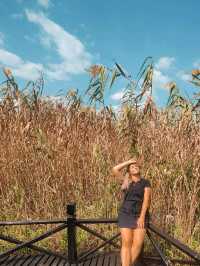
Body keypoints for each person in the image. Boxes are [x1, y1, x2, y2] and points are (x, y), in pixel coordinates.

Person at [112, 157, 152, 266]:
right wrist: (129, 162)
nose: (135, 167)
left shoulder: (145, 182)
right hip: (126, 214)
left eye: (136, 166)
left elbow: (146, 200)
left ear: (139, 168)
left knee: (137, 244)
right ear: (129, 171)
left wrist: (142, 216)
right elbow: (115, 169)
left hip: (140, 215)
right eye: (132, 167)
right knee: (126, 243)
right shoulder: (126, 181)